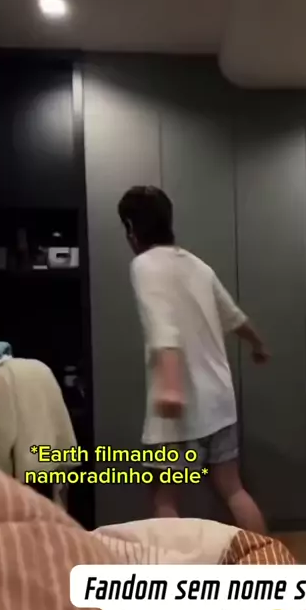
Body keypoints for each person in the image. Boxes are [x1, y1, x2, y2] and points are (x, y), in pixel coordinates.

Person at [118, 185, 270, 534]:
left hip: (179, 408)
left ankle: (174, 569)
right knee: (233, 489)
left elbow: (162, 326)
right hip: (219, 402)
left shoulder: (144, 265)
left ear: (131, 228)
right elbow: (234, 316)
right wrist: (258, 345)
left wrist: (171, 386)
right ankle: (268, 561)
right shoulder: (198, 266)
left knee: (166, 498)